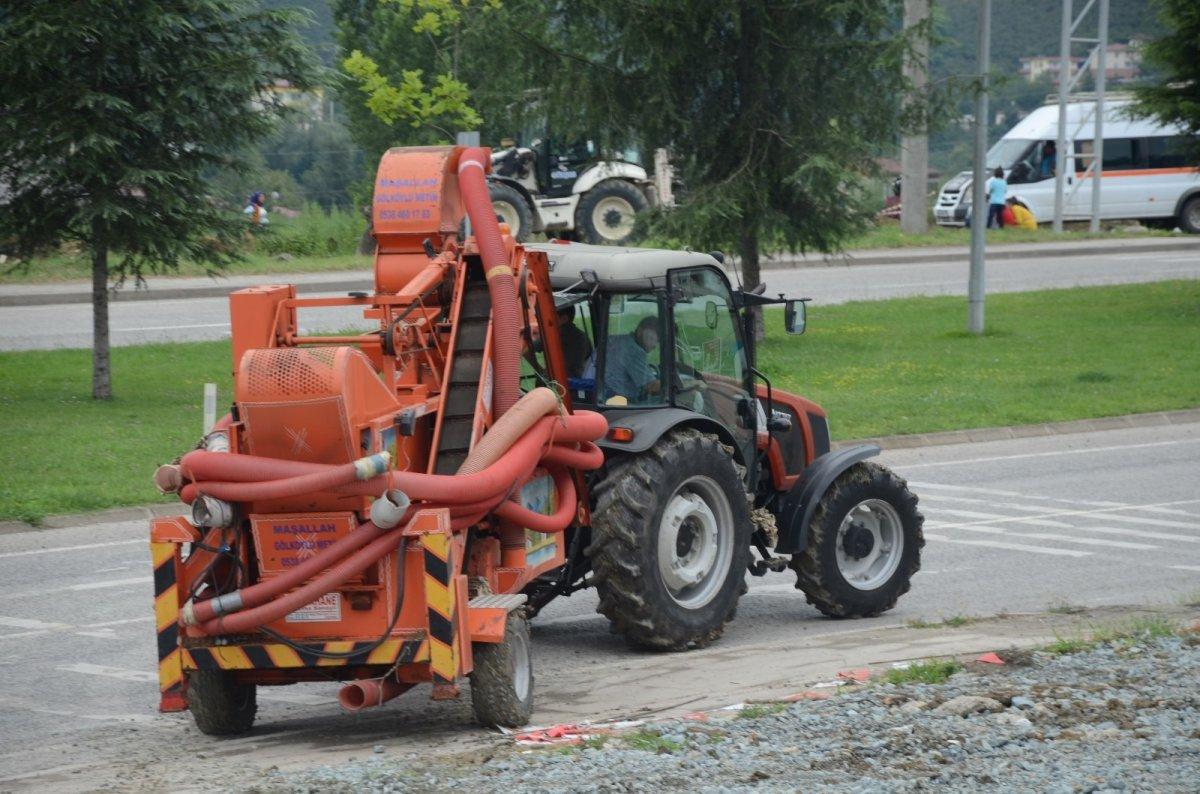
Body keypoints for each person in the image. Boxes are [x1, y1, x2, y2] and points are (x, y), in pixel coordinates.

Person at [603, 315, 660, 403]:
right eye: (652, 338)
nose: (655, 345)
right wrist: (671, 384)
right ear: (640, 331)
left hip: (600, 393)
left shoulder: (615, 339)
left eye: (657, 340)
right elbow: (651, 386)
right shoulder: (634, 350)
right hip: (614, 400)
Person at [556, 304, 593, 379]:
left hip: (559, 382)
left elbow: (528, 348)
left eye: (552, 316)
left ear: (564, 318)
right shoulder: (583, 336)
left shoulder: (556, 335)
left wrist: (539, 370)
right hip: (577, 382)